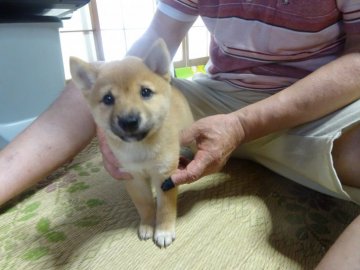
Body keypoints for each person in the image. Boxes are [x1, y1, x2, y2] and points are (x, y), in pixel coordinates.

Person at [0, 0, 359, 267]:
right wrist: (109, 105)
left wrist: (243, 124)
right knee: (92, 86)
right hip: (218, 94)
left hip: (314, 103)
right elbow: (155, 42)